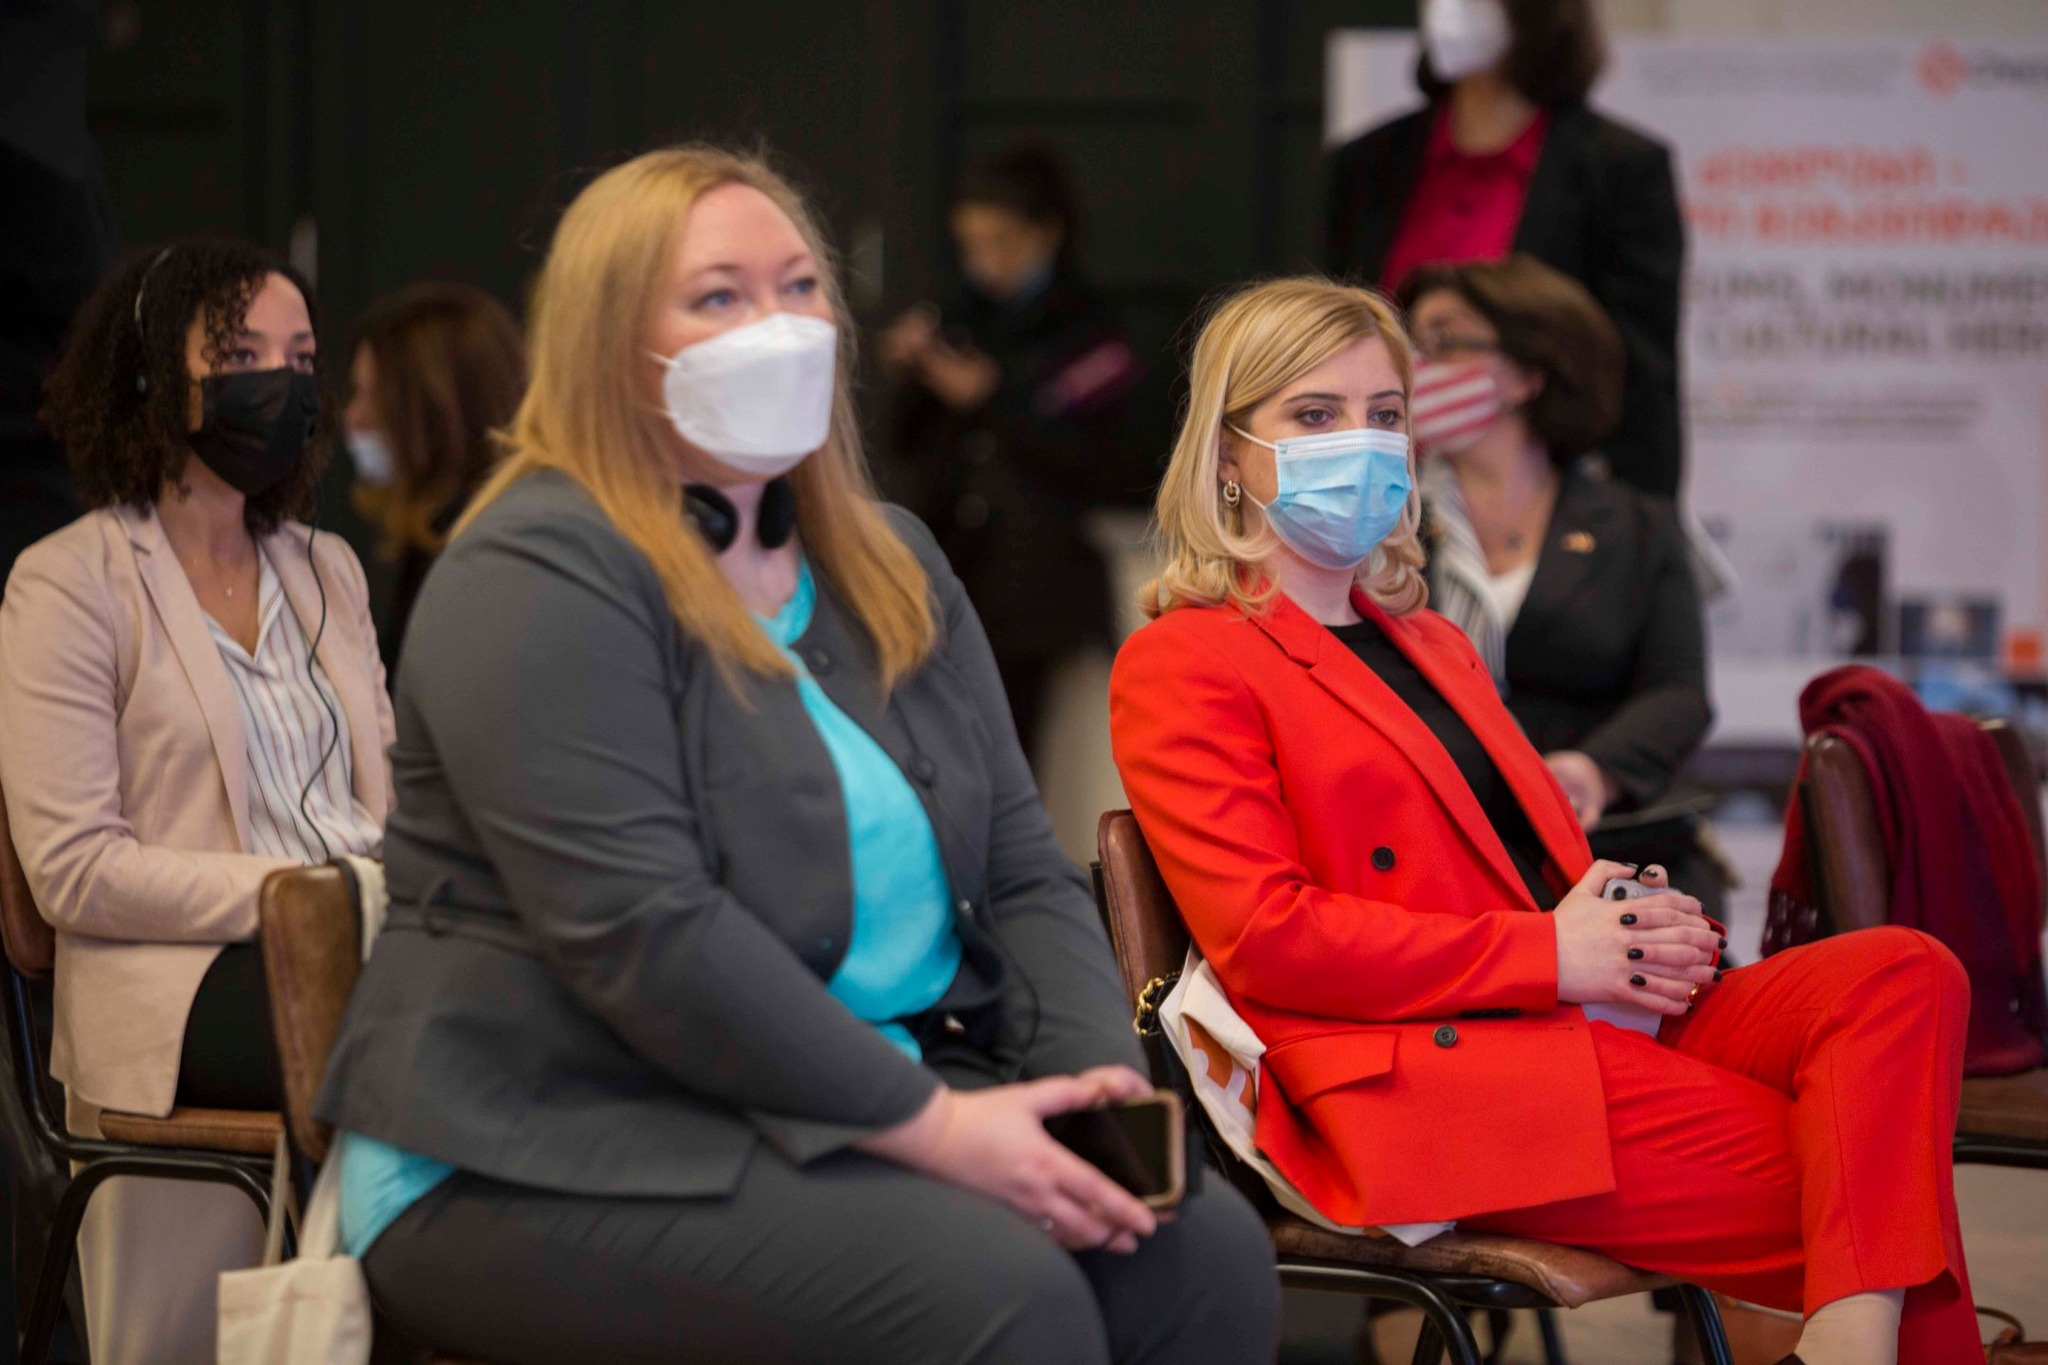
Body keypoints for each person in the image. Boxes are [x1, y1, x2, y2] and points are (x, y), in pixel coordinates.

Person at [314, 146, 1276, 1365]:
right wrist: (941, 1130)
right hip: (548, 1139)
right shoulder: (534, 565)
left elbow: (1020, 868)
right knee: (1001, 1296)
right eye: (717, 296)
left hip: (848, 1112)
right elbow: (643, 931)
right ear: (611, 343)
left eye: (798, 287)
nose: (773, 325)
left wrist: (1093, 1095)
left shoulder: (888, 558)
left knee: (1197, 1252)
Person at [1107, 276, 1979, 1365]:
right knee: (1871, 1191)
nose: (1360, 443)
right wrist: (1550, 952)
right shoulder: (1186, 659)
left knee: (1904, 972)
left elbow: (1528, 870)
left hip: (1566, 1017)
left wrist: (1627, 921)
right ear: (1228, 454)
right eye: (1315, 413)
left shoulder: (1431, 641)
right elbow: (1268, 938)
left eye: (1384, 413)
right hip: (1433, 1074)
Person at [0, 237, 393, 1365]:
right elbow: (75, 871)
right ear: (149, 381)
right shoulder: (68, 581)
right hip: (186, 980)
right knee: (447, 1030)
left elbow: (392, 789)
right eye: (241, 355)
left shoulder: (327, 568)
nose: (281, 382)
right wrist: (302, 896)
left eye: (301, 358)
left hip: (363, 938)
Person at [1398, 255, 1708, 837]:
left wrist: (1594, 771)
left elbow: (1680, 694)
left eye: (1443, 342)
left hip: (1595, 840)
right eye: (1408, 345)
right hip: (1419, 836)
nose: (1414, 368)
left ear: (1525, 374)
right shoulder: (1383, 519)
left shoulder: (1637, 528)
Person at [1324, 0, 1685, 499]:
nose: (1449, 10)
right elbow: (1334, 332)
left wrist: (1645, 522)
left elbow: (1644, 375)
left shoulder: (1619, 168)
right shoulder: (1368, 162)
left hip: (1545, 494)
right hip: (1381, 489)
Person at [880, 144, 1147, 763]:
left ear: (1045, 233)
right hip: (943, 566)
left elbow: (1099, 464)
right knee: (929, 747)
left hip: (1030, 586)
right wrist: (911, 374)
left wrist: (991, 399)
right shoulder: (954, 317)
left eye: (1000, 242)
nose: (985, 262)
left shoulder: (1090, 330)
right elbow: (904, 444)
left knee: (1009, 756)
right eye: (970, 245)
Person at [341, 281, 524, 668]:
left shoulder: (478, 557)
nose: (353, 417)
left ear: (431, 410)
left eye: (372, 394)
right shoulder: (444, 537)